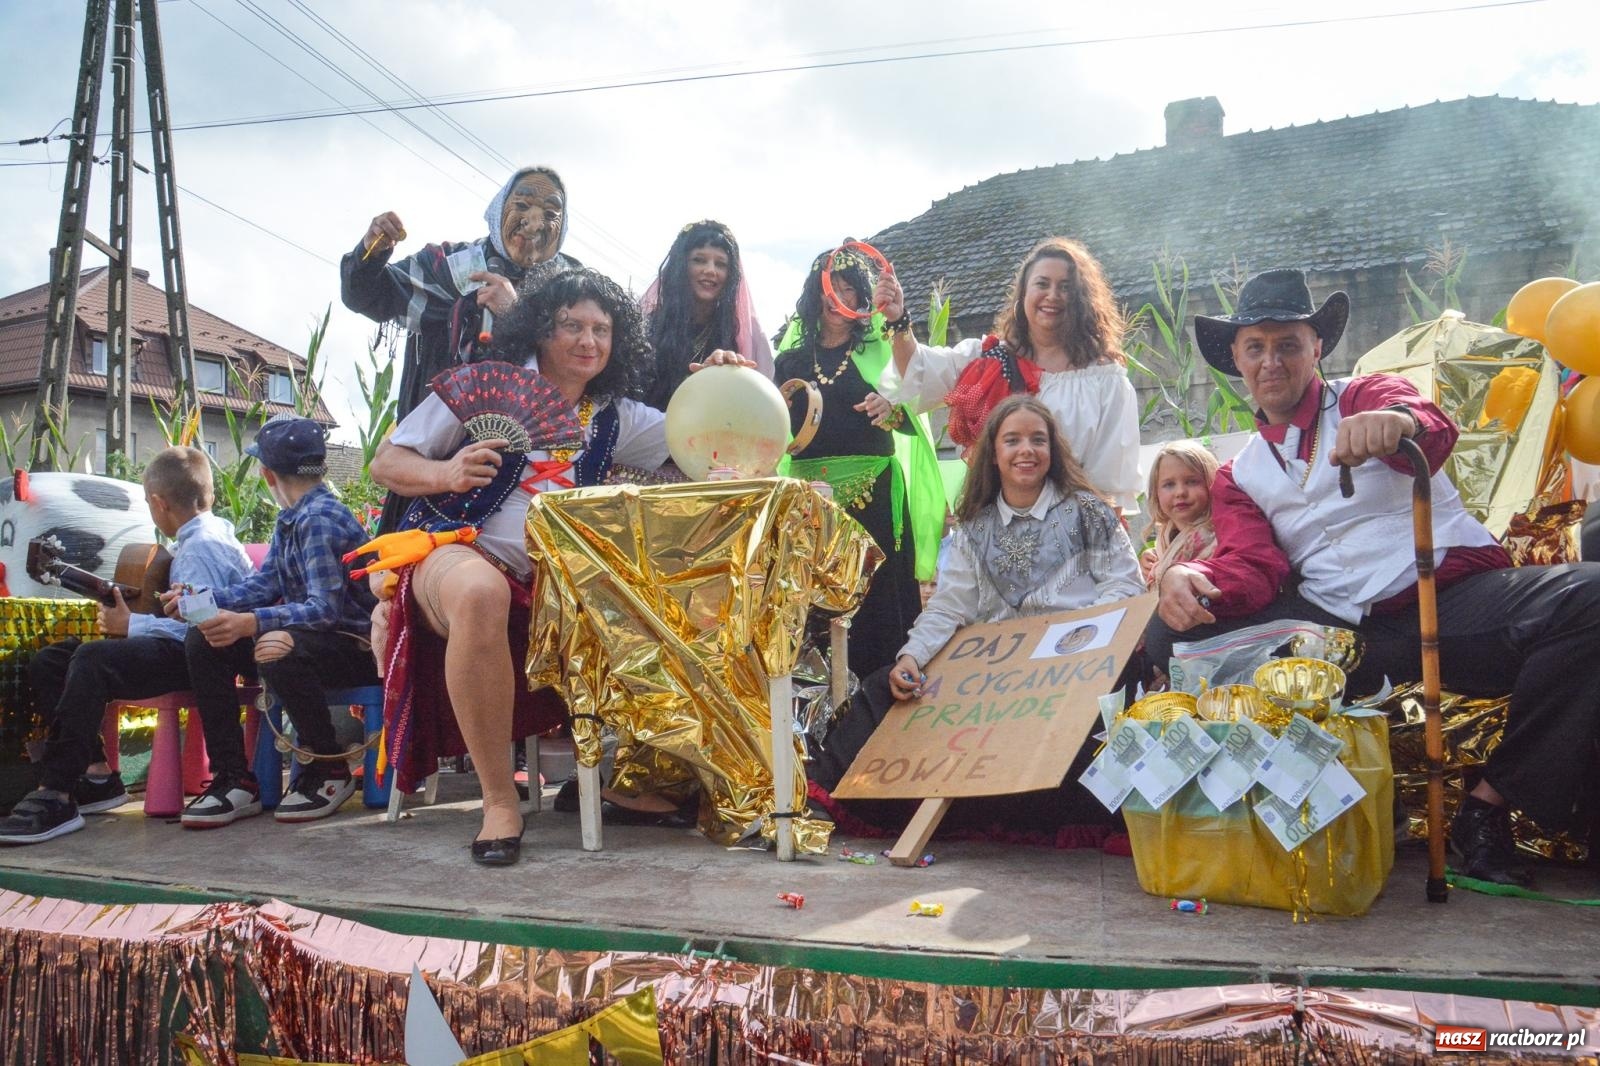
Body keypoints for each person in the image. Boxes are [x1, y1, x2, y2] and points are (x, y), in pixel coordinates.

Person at [1145, 267, 1600, 887]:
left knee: (1594, 597)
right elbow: (1252, 568)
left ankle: (1490, 804)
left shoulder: (1363, 395)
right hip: (1350, 634)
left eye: (1287, 344)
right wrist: (1191, 575)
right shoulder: (1238, 474)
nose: (1271, 361)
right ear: (1236, 359)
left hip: (1453, 599)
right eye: (1256, 347)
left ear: (1317, 348)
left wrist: (1399, 426)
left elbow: (1432, 426)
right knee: (1165, 633)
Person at [370, 267, 724, 865]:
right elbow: (386, 460)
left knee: (675, 601)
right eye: (572, 326)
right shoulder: (481, 384)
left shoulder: (616, 416)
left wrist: (723, 383)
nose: (588, 341)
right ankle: (498, 802)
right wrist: (446, 473)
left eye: (601, 329)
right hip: (453, 552)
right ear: (539, 329)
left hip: (558, 582)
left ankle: (635, 780)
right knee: (483, 594)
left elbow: (703, 439)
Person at [810, 394, 1144, 834]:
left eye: (1037, 440)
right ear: (995, 454)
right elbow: (951, 606)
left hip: (1073, 663)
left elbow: (1126, 587)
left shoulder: (1089, 512)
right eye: (1013, 440)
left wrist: (1077, 637)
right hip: (996, 675)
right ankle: (823, 800)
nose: (1026, 450)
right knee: (884, 688)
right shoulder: (973, 530)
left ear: (1052, 450)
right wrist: (913, 656)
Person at [0, 448, 253, 845]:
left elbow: (195, 629)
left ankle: (57, 792)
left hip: (202, 655)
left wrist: (130, 622)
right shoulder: (209, 534)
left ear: (158, 502)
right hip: (184, 646)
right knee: (52, 660)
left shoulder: (201, 546)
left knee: (93, 658)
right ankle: (97, 775)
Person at [340, 166, 578, 531]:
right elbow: (367, 295)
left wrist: (515, 314)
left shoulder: (573, 286)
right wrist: (374, 249)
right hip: (434, 458)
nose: (534, 222)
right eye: (524, 205)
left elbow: (586, 360)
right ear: (499, 210)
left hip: (537, 469)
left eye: (550, 212)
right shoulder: (448, 266)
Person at [174, 416, 379, 829]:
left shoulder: (319, 518)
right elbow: (266, 584)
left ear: (268, 474)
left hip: (352, 647)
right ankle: (234, 778)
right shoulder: (292, 518)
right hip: (309, 642)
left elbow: (324, 610)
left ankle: (328, 765)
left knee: (275, 645)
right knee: (204, 639)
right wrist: (200, 601)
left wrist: (252, 623)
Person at [771, 246, 945, 680]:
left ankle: (884, 693)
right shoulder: (789, 361)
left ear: (862, 301)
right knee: (813, 605)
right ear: (816, 295)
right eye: (831, 289)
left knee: (877, 602)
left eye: (850, 290)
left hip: (874, 499)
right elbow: (771, 431)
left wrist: (892, 407)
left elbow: (913, 417)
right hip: (810, 504)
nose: (838, 298)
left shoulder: (883, 352)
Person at [876, 237, 1142, 512]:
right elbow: (918, 373)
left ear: (1081, 299)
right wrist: (897, 319)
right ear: (1022, 294)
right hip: (994, 525)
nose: (1053, 295)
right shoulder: (986, 359)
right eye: (1042, 284)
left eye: (1065, 287)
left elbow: (1110, 488)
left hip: (1072, 531)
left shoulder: (1105, 379)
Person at [638, 220, 772, 410]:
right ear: (680, 266)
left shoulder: (740, 335)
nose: (710, 270)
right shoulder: (648, 327)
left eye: (720, 264)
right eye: (699, 260)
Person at [1139, 440, 1220, 588]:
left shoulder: (1220, 539)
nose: (1180, 492)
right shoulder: (1164, 539)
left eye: (1191, 481)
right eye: (1169, 484)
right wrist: (1153, 560)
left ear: (1211, 483)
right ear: (1156, 494)